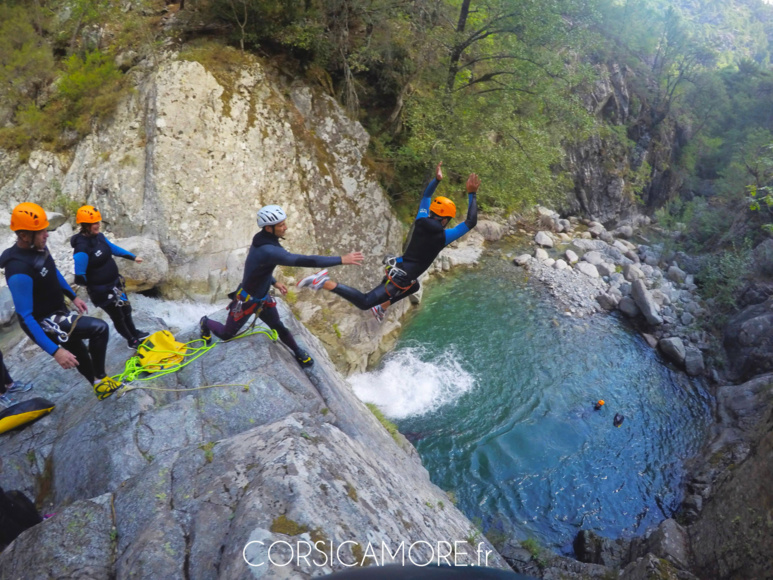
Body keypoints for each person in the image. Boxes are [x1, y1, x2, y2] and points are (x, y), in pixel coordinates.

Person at [297, 162, 479, 322]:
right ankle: (324, 282)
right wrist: (472, 194)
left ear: (432, 212)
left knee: (414, 285)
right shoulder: (444, 237)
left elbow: (425, 197)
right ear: (445, 220)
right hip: (400, 275)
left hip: (400, 267)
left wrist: (436, 180)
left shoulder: (421, 218)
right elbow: (470, 222)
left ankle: (381, 307)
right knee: (365, 302)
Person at [199, 204, 364, 367]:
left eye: (284, 223)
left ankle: (297, 351)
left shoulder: (264, 240)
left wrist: (274, 282)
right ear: (269, 228)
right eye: (280, 225)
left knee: (278, 326)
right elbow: (305, 260)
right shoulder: (269, 250)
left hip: (262, 298)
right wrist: (341, 259)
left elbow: (259, 269)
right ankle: (205, 322)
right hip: (247, 301)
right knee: (226, 334)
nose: (285, 227)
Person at [0, 203, 121, 400]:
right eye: (41, 232)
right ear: (24, 235)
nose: (46, 235)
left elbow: (52, 271)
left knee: (79, 350)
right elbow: (26, 316)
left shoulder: (37, 247)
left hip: (57, 308)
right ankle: (100, 378)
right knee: (99, 329)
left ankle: (98, 384)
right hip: (45, 320)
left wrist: (72, 296)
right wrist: (55, 351)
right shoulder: (18, 270)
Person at [71, 205, 149, 349]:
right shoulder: (81, 248)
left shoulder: (99, 237)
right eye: (94, 223)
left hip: (116, 284)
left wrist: (132, 257)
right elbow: (80, 277)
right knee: (117, 316)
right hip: (102, 291)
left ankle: (135, 332)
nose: (97, 225)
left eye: (98, 222)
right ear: (85, 225)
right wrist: (96, 286)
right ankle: (131, 340)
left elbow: (113, 249)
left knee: (126, 309)